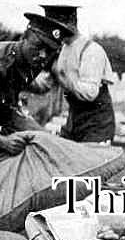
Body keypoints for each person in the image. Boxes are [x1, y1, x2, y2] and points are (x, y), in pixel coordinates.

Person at [41, 4, 117, 144]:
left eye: (55, 25)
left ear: (71, 20)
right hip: (74, 120)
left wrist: (61, 77)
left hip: (97, 124)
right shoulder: (62, 50)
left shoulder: (91, 50)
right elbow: (46, 84)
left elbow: (89, 93)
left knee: (90, 163)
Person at [0, 13, 72, 151]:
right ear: (24, 38)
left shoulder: (30, 59)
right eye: (39, 46)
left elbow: (35, 87)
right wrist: (3, 142)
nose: (43, 55)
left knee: (46, 141)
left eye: (50, 51)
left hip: (6, 115)